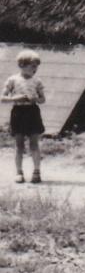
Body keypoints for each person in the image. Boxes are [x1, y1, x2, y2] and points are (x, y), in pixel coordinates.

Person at [2, 49, 46, 183]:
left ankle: (36, 171)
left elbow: (43, 99)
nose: (35, 69)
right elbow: (3, 98)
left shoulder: (37, 81)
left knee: (34, 143)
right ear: (22, 65)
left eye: (37, 66)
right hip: (18, 113)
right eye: (32, 66)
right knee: (19, 144)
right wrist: (17, 98)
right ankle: (19, 172)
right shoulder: (12, 80)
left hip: (32, 112)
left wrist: (35, 99)